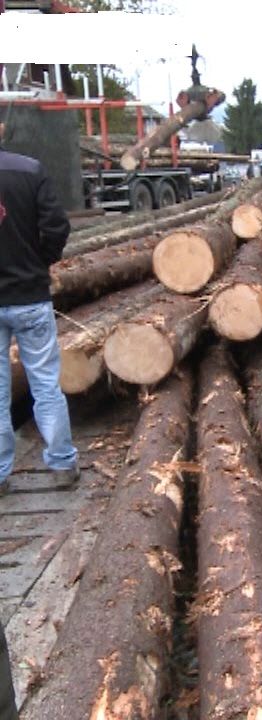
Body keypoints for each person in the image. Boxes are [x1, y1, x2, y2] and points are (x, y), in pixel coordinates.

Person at [0, 120, 79, 502]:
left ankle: (0, 474)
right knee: (46, 384)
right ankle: (62, 463)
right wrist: (40, 262)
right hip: (30, 296)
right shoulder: (29, 170)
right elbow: (56, 226)